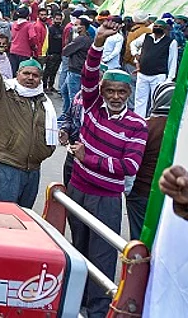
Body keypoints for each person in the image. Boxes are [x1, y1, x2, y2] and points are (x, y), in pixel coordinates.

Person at [67, 20, 147, 318]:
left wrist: (89, 159)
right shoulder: (91, 106)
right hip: (77, 190)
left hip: (106, 199)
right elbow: (88, 74)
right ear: (102, 91)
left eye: (121, 92)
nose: (115, 97)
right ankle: (76, 304)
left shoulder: (137, 125)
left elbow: (129, 166)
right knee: (78, 250)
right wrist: (98, 42)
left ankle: (98, 311)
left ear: (128, 93)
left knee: (101, 257)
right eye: (110, 91)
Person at [0, 23, 57, 209]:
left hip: (33, 170)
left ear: (40, 78)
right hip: (7, 168)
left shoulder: (44, 102)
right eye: (26, 73)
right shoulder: (5, 93)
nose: (30, 78)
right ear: (17, 74)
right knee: (5, 218)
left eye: (35, 75)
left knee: (25, 218)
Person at [127, 81, 173, 240]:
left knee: (139, 240)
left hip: (141, 192)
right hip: (167, 195)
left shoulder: (145, 126)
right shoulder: (180, 130)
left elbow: (132, 162)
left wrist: (127, 190)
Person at [131, 19, 177, 117]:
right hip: (143, 74)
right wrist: (135, 54)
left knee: (155, 100)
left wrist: (169, 79)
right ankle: (138, 118)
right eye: (156, 26)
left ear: (165, 29)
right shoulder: (146, 37)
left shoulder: (171, 42)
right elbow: (133, 44)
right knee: (139, 99)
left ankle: (153, 119)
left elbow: (172, 61)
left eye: (160, 27)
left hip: (158, 76)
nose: (157, 28)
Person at [61, 17, 94, 115]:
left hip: (75, 71)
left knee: (73, 97)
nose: (73, 27)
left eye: (76, 25)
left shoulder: (81, 39)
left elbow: (66, 51)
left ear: (82, 27)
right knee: (64, 91)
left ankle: (73, 117)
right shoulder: (87, 38)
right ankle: (66, 113)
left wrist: (71, 39)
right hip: (75, 70)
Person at [9, 6, 35, 74]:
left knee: (13, 72)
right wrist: (33, 47)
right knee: (22, 73)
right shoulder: (29, 25)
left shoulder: (14, 24)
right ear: (27, 15)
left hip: (13, 50)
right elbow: (32, 37)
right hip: (24, 52)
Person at [43, 11, 64, 93]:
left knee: (54, 71)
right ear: (53, 19)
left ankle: (51, 86)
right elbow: (47, 42)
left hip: (59, 53)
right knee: (48, 71)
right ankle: (44, 86)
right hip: (51, 53)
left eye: (60, 19)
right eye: (57, 19)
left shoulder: (62, 29)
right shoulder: (50, 29)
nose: (58, 21)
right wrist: (48, 53)